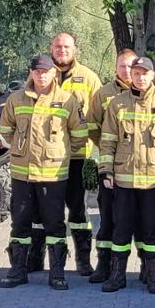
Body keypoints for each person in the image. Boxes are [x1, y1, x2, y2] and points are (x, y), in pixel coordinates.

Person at [0, 53, 90, 290]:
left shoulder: (67, 100)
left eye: (45, 71)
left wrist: (60, 151)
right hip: (22, 173)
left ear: (53, 73)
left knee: (55, 224)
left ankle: (57, 273)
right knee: (20, 224)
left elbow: (79, 136)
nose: (41, 75)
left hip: (52, 173)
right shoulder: (16, 99)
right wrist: (21, 147)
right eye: (37, 71)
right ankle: (18, 270)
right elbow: (5, 130)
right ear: (31, 73)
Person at [95, 56, 155, 294]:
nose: (140, 77)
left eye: (145, 73)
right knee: (121, 229)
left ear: (153, 76)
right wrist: (105, 171)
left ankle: (153, 276)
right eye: (136, 73)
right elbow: (107, 141)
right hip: (123, 180)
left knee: (153, 230)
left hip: (154, 182)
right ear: (130, 75)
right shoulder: (117, 104)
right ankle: (117, 275)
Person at [50, 33, 105, 278]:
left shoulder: (89, 78)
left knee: (79, 212)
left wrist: (96, 154)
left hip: (78, 157)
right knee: (45, 213)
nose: (62, 50)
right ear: (51, 49)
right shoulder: (42, 74)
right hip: (46, 159)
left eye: (66, 46)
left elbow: (99, 117)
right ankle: (37, 260)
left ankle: (83, 260)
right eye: (58, 46)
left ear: (75, 49)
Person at [84, 48, 140, 284]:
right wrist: (108, 148)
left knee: (142, 221)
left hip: (141, 170)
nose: (125, 71)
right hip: (111, 168)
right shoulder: (103, 93)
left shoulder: (146, 93)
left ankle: (148, 267)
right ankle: (104, 265)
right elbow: (92, 124)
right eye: (121, 66)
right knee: (107, 218)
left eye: (130, 67)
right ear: (115, 68)